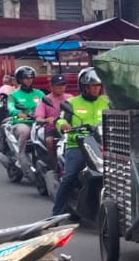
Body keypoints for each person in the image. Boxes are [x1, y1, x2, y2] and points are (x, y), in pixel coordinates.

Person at [51, 68, 109, 217]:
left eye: (98, 85)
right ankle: (56, 212)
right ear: (84, 87)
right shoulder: (71, 103)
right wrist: (63, 125)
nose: (96, 88)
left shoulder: (107, 102)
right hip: (78, 145)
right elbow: (61, 118)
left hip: (103, 144)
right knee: (69, 177)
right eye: (92, 85)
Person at [36, 73, 72, 164]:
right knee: (49, 141)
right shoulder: (45, 100)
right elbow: (38, 119)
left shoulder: (70, 98)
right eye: (58, 85)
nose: (61, 87)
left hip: (69, 126)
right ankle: (54, 164)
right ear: (51, 87)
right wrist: (46, 120)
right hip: (52, 128)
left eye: (63, 85)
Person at [6, 66, 44, 150]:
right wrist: (18, 113)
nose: (29, 80)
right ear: (20, 79)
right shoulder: (13, 95)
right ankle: (21, 158)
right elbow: (10, 107)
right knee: (25, 131)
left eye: (31, 78)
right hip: (22, 122)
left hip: (38, 122)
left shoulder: (39, 93)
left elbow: (47, 105)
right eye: (26, 78)